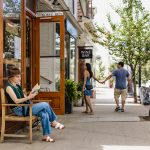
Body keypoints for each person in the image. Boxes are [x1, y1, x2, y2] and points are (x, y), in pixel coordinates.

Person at [5, 67, 65, 142]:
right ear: (11, 77)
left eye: (20, 76)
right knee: (45, 104)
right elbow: (16, 101)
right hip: (19, 110)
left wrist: (30, 95)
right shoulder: (8, 87)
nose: (19, 78)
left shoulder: (17, 86)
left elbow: (25, 98)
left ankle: (45, 136)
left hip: (26, 107)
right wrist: (29, 97)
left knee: (44, 114)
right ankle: (53, 121)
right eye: (17, 76)